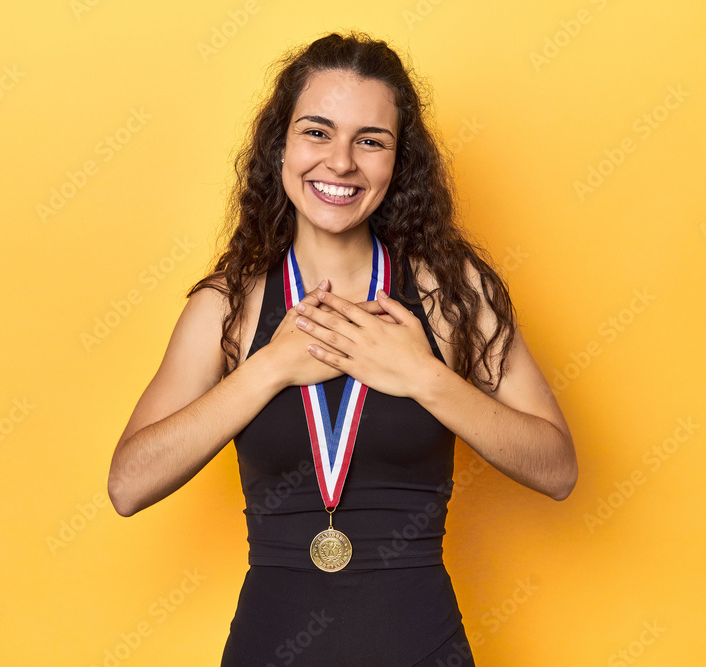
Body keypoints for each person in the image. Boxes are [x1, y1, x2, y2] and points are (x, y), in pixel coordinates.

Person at [107, 30, 578, 666]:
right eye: (318, 132)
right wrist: (266, 371)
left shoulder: (451, 291)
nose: (341, 162)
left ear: (397, 162)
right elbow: (128, 486)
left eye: (371, 141)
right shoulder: (229, 304)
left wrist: (423, 377)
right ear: (281, 147)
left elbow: (558, 470)